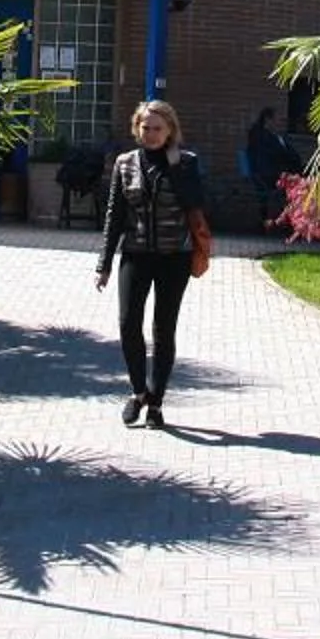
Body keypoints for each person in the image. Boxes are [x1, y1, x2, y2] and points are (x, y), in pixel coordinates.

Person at [94, 98, 208, 429]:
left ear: (171, 130)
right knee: (128, 323)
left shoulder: (186, 162)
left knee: (163, 329)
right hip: (136, 254)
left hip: (175, 257)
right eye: (146, 127)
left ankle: (156, 403)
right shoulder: (124, 163)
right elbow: (114, 215)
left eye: (158, 128)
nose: (152, 134)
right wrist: (103, 264)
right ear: (136, 128)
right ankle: (138, 391)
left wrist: (175, 166)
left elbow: (197, 203)